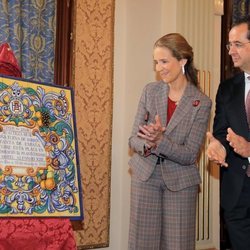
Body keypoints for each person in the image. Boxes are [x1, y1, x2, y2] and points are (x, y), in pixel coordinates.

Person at [128, 33, 212, 250]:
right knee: (142, 244)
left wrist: (160, 141)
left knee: (178, 245)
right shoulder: (150, 91)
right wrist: (147, 143)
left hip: (181, 184)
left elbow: (190, 154)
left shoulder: (201, 102)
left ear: (182, 61)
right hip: (145, 177)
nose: (159, 68)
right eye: (156, 62)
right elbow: (133, 140)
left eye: (164, 61)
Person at [0, 43, 77, 250]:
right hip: (36, 202)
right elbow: (54, 138)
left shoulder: (39, 107)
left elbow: (53, 139)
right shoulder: (39, 106)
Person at [206, 15, 250, 250]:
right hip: (237, 193)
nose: (231, 50)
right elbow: (222, 131)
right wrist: (218, 146)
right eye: (229, 44)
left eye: (238, 44)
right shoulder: (227, 88)